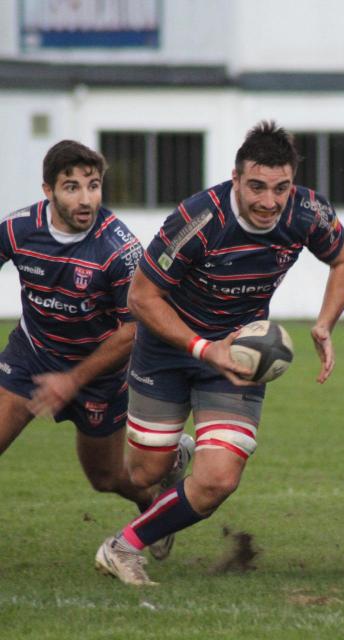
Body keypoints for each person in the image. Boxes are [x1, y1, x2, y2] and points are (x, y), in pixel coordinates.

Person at [94, 120, 344, 586]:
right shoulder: (198, 220)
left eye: (281, 188)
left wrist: (324, 323)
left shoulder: (307, 211)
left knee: (218, 479)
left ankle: (122, 547)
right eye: (256, 186)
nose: (269, 201)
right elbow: (141, 298)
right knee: (142, 474)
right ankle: (173, 461)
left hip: (238, 356)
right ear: (235, 178)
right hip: (167, 349)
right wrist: (201, 347)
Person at [0, 140, 185, 560]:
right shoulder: (18, 229)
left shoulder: (118, 249)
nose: (86, 199)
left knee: (106, 478)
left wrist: (73, 380)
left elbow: (135, 329)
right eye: (72, 187)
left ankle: (155, 499)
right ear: (48, 190)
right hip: (30, 356)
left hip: (99, 375)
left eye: (94, 185)